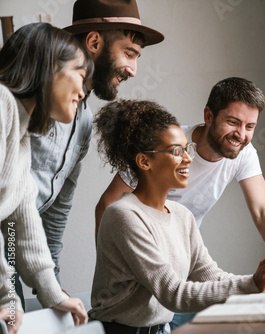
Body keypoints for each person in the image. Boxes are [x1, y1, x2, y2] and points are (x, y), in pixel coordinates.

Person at [90, 99, 265, 334]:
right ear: (144, 161)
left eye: (187, 149)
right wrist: (253, 283)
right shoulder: (124, 216)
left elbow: (210, 276)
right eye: (176, 151)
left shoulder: (182, 215)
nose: (189, 159)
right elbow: (173, 293)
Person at [22, 0, 164, 306]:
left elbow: (57, 208)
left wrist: (52, 288)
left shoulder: (84, 120)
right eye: (129, 53)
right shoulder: (26, 97)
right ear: (95, 42)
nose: (133, 70)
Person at [0, 23, 94, 333]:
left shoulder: (22, 134)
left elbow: (22, 217)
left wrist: (52, 292)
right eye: (80, 75)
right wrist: (6, 293)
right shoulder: (1, 105)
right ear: (50, 66)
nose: (83, 90)